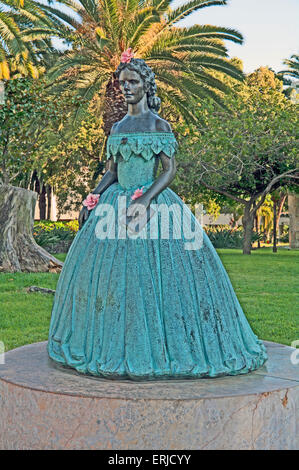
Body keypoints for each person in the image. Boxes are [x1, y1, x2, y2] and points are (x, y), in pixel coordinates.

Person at [47, 51, 267, 380]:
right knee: (116, 280)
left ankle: (166, 346)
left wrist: (147, 199)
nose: (127, 88)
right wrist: (93, 195)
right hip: (115, 207)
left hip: (154, 206)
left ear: (146, 85)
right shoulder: (118, 127)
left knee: (163, 280)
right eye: (122, 83)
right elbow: (113, 171)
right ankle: (116, 343)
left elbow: (169, 170)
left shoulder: (158, 125)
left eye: (133, 82)